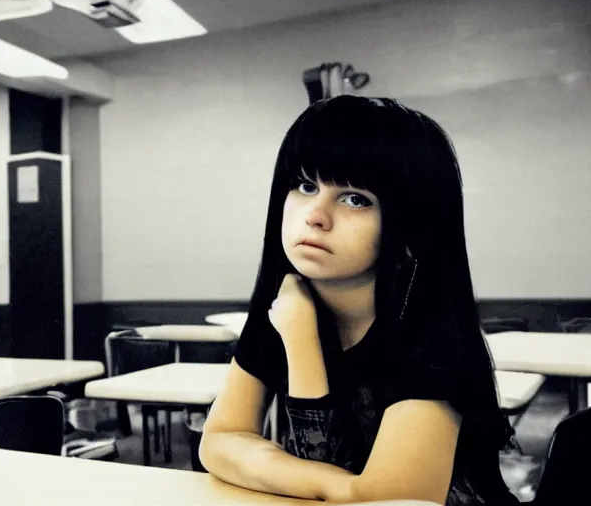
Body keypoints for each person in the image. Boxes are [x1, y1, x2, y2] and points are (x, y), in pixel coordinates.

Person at [199, 95, 521, 505]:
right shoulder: (284, 308)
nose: (315, 214)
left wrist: (301, 342)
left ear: (412, 229)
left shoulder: (432, 338)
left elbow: (395, 500)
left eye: (355, 199)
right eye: (305, 185)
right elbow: (220, 441)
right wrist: (342, 487)